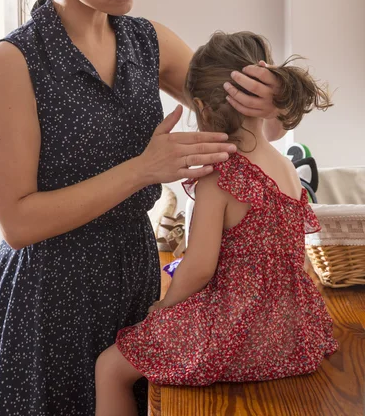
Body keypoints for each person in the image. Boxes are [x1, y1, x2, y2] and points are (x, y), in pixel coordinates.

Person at [0, 0, 288, 416]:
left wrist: (275, 101)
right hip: (47, 304)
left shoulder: (150, 42)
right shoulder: (13, 62)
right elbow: (17, 222)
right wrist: (144, 169)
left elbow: (249, 131)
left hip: (132, 283)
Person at [95, 31, 338, 416]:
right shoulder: (286, 167)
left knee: (109, 367)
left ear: (202, 107)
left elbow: (199, 268)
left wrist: (164, 306)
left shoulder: (220, 177)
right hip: (293, 334)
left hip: (239, 332)